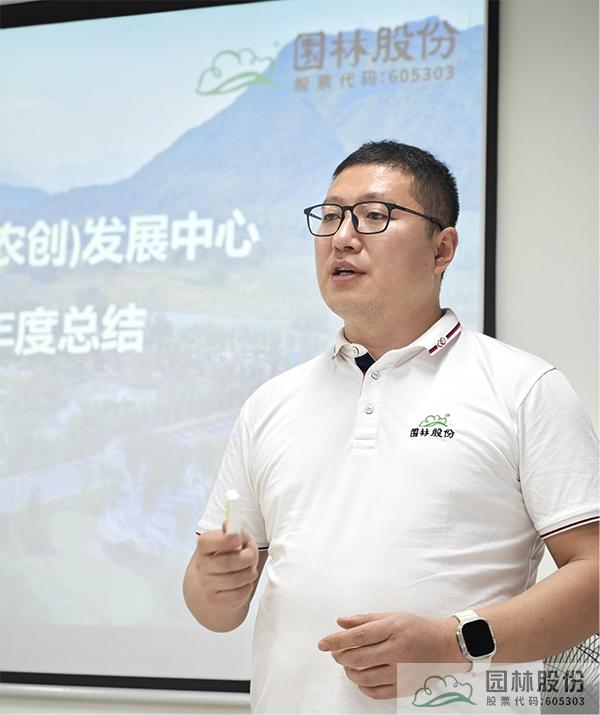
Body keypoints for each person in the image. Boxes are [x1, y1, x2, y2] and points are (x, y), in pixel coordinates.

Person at [183, 141, 599, 714]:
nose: (341, 238)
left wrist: (451, 642)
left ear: (442, 248)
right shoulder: (271, 403)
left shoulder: (522, 387)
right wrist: (213, 583)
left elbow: (594, 574)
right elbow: (215, 611)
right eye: (330, 216)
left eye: (374, 216)